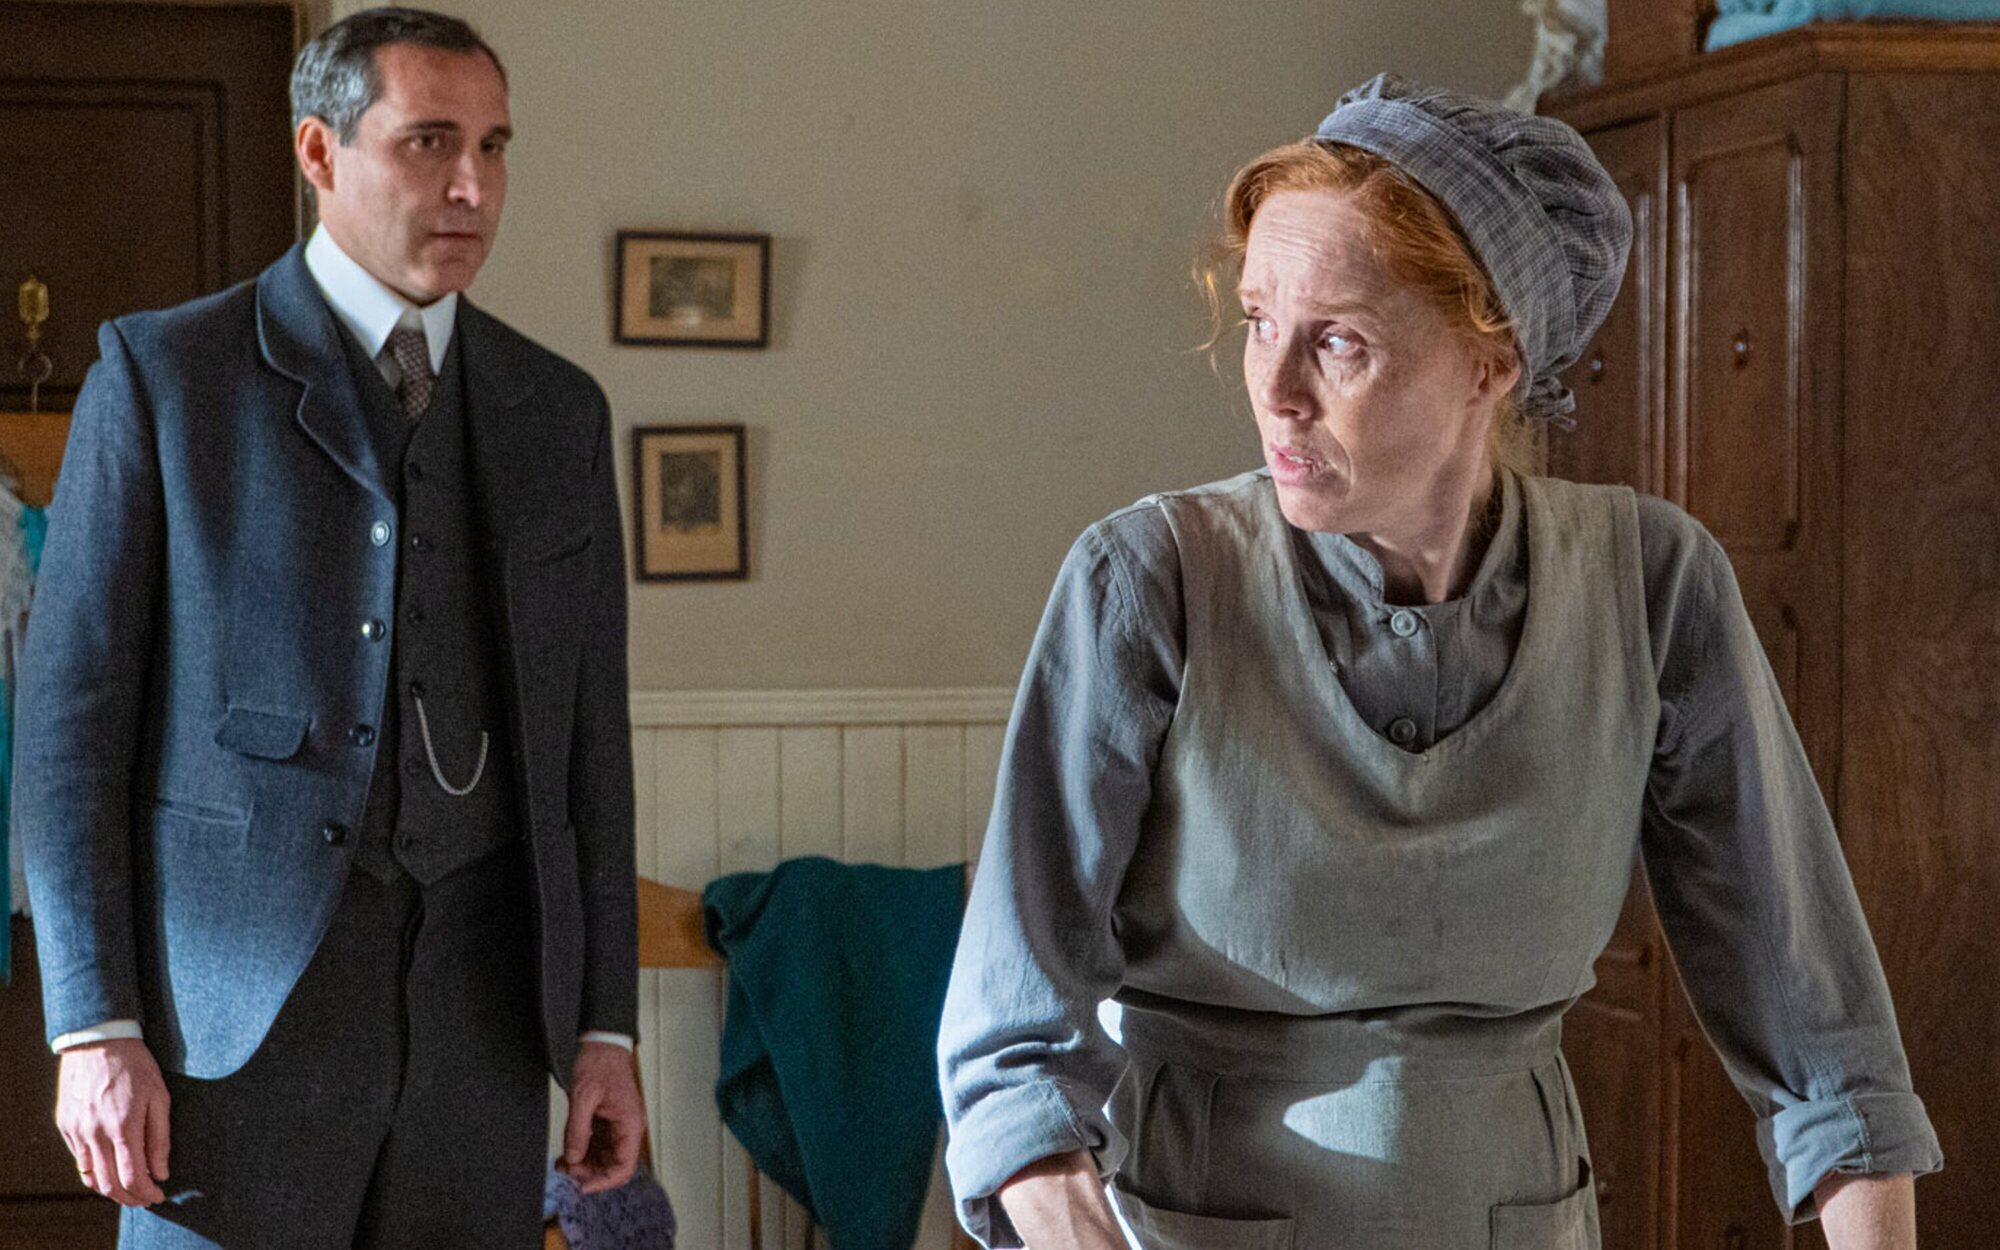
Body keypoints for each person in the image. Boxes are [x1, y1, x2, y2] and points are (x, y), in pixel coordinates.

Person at [937, 74, 1942, 1250]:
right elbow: (1009, 1054)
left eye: (1338, 341)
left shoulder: (1650, 584)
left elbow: (1822, 1039)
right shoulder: (1146, 581)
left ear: (1490, 359)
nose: (1272, 389)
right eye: (1257, 320)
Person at [16, 8, 645, 1245]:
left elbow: (591, 746)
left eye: (493, 146)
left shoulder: (555, 409)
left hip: (481, 1037)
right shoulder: (164, 377)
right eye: (428, 142)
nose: (472, 186)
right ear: (319, 151)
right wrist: (93, 1024)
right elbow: (67, 728)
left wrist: (604, 1027)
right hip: (228, 1035)